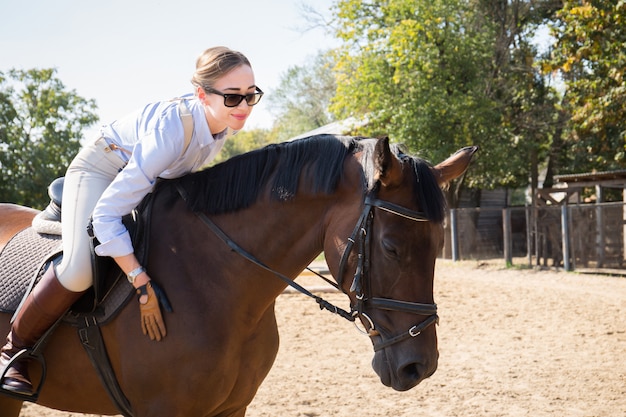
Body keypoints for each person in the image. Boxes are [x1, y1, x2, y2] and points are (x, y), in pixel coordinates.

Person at [0, 46, 263, 396]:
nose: (244, 107)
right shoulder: (174, 129)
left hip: (145, 179)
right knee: (79, 268)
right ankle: (10, 352)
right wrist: (141, 285)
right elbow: (107, 216)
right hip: (100, 170)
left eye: (250, 95)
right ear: (203, 95)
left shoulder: (224, 123)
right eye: (232, 97)